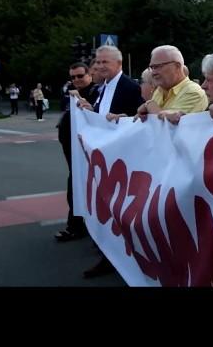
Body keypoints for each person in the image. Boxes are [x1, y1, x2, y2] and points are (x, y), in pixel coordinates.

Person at [76, 45, 144, 278]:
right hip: (103, 161)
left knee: (121, 210)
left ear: (119, 64)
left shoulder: (130, 88)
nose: (100, 66)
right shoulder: (99, 90)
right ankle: (108, 252)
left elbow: (139, 121)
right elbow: (99, 118)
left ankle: (120, 258)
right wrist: (88, 110)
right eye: (98, 61)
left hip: (123, 162)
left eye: (105, 62)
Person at [54, 62, 100, 242]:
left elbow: (97, 114)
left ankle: (77, 226)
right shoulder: (69, 93)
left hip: (86, 147)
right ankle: (79, 224)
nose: (77, 80)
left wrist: (81, 100)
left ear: (89, 75)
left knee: (79, 185)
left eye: (80, 76)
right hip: (70, 145)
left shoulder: (96, 92)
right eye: (73, 77)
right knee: (76, 184)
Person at [134, 45, 208, 124]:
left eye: (158, 66)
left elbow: (169, 125)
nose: (154, 73)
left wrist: (149, 104)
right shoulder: (159, 91)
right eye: (152, 67)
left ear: (177, 66)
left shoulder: (194, 92)